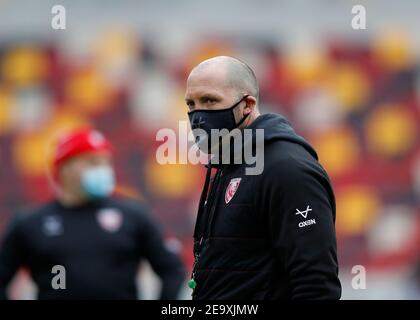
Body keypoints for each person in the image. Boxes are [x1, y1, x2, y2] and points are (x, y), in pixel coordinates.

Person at [185, 56, 341, 299]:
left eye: (210, 101)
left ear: (247, 104)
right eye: (192, 104)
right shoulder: (230, 167)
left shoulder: (287, 169)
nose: (198, 115)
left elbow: (316, 286)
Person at [0, 128, 185, 300]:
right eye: (92, 162)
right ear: (64, 168)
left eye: (106, 162)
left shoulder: (133, 215)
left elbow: (172, 270)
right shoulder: (30, 224)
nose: (103, 169)